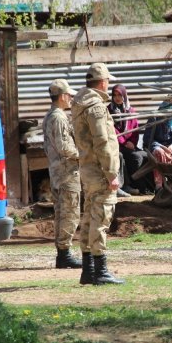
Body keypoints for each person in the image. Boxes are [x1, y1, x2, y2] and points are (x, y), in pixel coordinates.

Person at [71, 62, 125, 285]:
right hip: (99, 170)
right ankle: (100, 271)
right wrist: (112, 172)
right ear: (103, 82)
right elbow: (102, 141)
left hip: (87, 169)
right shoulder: (96, 106)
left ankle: (88, 270)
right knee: (101, 217)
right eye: (108, 81)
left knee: (88, 216)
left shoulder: (79, 103)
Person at [43, 79, 83, 269]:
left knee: (61, 212)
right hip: (66, 173)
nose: (71, 99)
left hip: (58, 172)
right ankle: (64, 253)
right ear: (63, 96)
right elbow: (63, 146)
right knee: (69, 213)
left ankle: (63, 253)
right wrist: (82, 154)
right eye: (69, 95)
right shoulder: (58, 118)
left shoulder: (51, 116)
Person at [108, 84, 154, 195]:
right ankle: (137, 187)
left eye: (119, 95)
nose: (117, 97)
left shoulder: (131, 110)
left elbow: (135, 129)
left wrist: (133, 143)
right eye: (114, 95)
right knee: (135, 157)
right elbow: (112, 130)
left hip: (130, 145)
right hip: (117, 145)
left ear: (124, 95)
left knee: (146, 155)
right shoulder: (109, 111)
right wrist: (124, 143)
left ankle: (150, 187)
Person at [143, 102, 172, 191]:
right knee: (159, 152)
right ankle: (159, 185)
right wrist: (161, 146)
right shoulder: (154, 118)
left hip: (170, 146)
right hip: (156, 146)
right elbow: (147, 138)